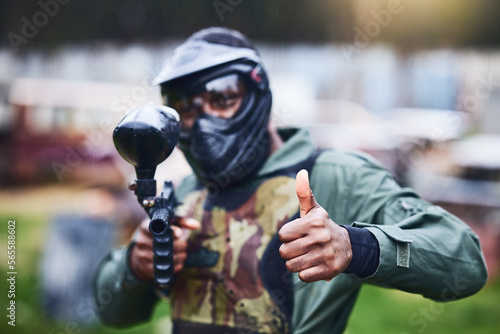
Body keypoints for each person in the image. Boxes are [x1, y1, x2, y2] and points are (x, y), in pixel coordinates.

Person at [93, 27, 488, 334]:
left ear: (258, 94)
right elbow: (111, 312)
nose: (203, 121)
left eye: (221, 98)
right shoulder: (187, 193)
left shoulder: (334, 176)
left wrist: (356, 246)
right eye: (184, 108)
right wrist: (135, 264)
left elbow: (466, 261)